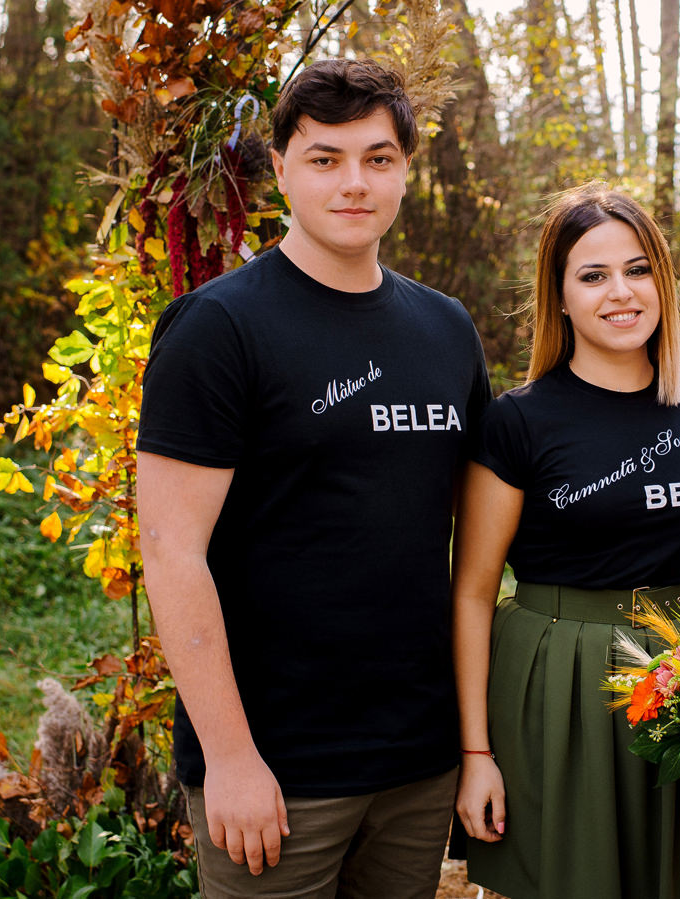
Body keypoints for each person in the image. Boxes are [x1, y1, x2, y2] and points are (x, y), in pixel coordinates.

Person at [137, 59, 491, 897]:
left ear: (406, 169)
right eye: (325, 158)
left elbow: (473, 541)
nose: (353, 182)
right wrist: (230, 756)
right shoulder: (219, 327)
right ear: (282, 169)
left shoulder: (446, 329)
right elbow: (171, 552)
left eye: (378, 157)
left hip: (416, 760)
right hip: (275, 768)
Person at [452, 183, 680, 899]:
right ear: (559, 296)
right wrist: (476, 751)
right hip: (563, 679)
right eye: (593, 275)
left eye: (638, 270)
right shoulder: (518, 421)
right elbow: (474, 593)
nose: (621, 292)